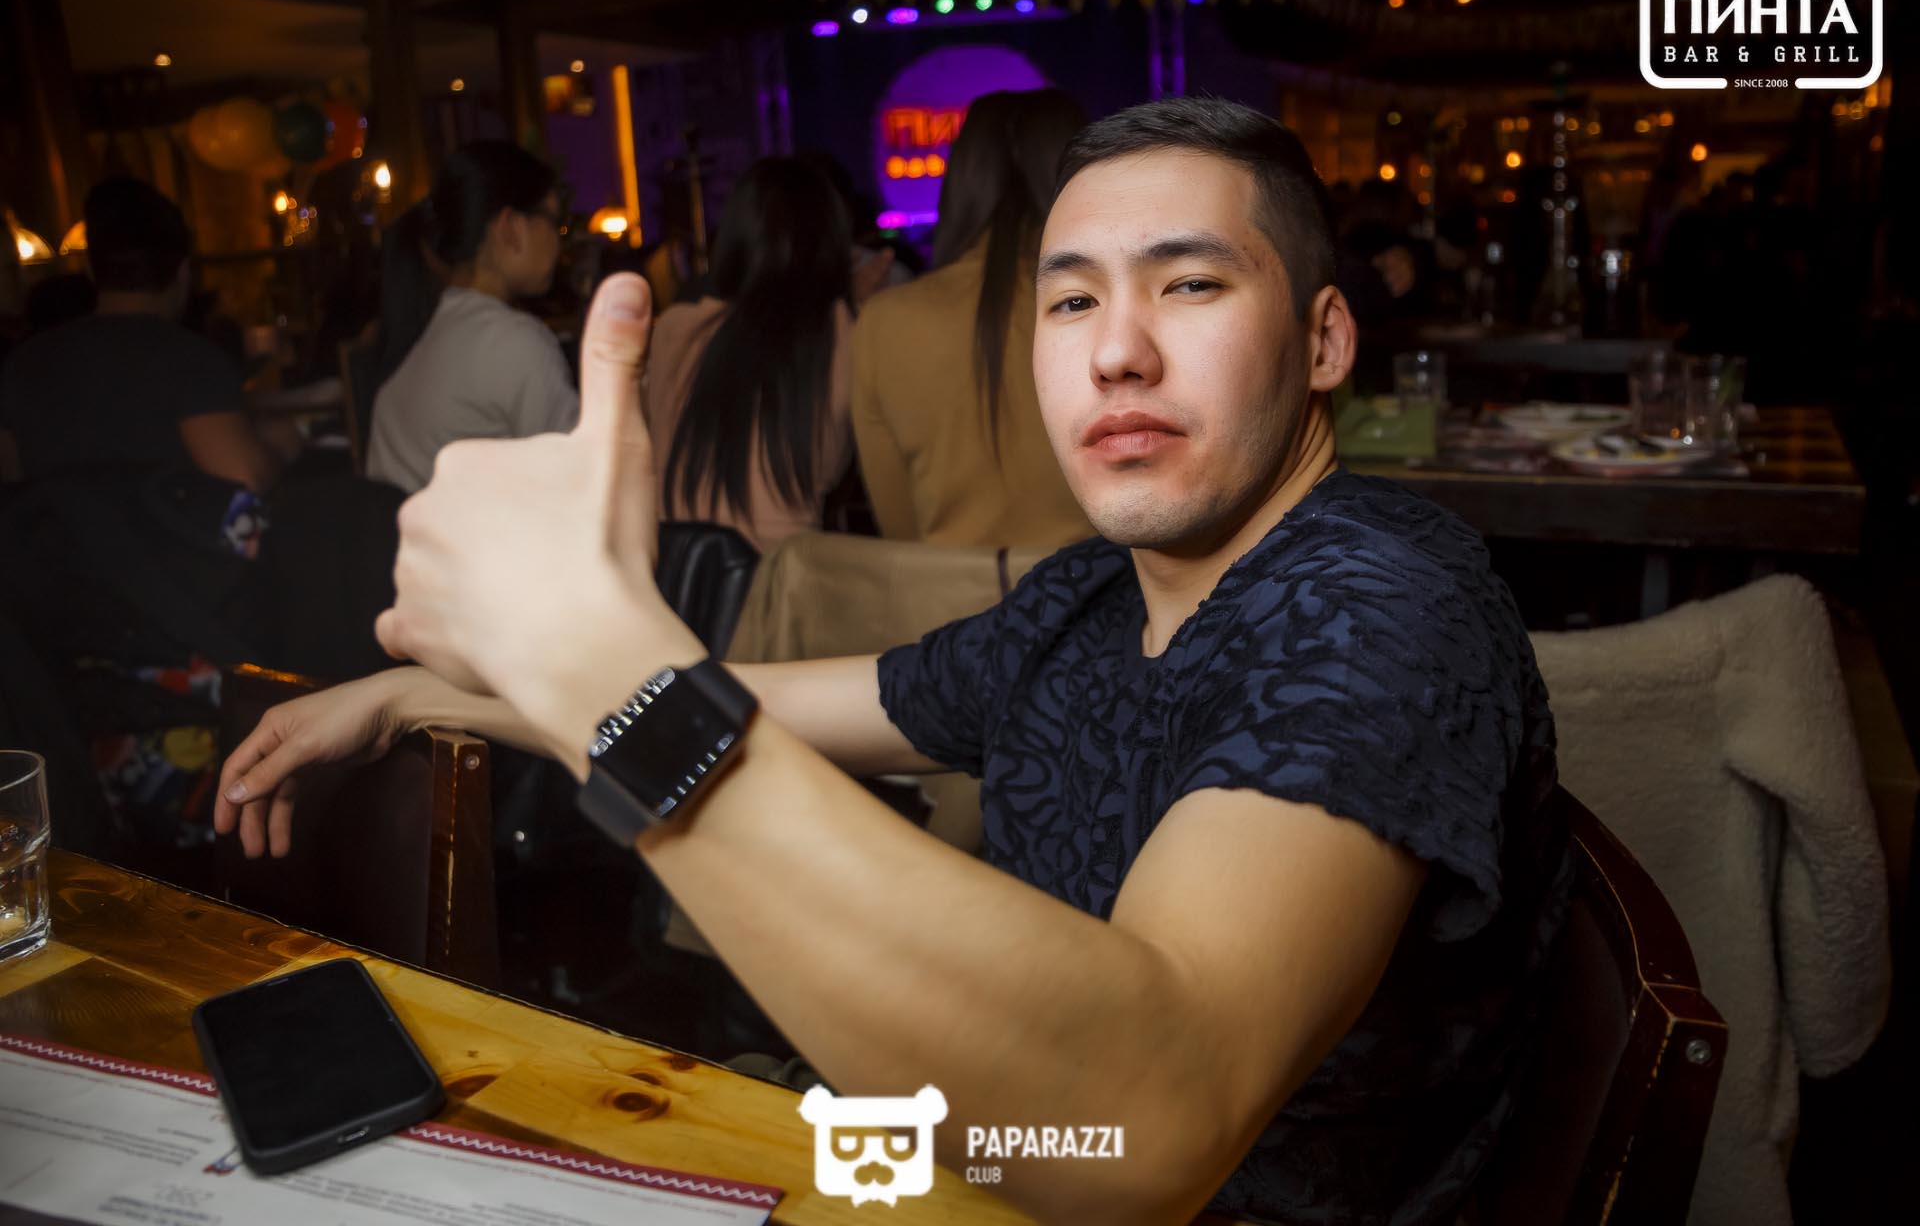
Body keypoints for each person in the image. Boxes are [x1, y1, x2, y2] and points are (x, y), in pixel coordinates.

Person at [217, 99, 1570, 1225]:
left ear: (1324, 339)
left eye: (1192, 284)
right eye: (1071, 299)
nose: (1116, 351)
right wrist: (422, 695)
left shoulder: (1384, 599)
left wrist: (599, 665)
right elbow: (774, 710)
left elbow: (1149, 1119)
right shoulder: (1090, 597)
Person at [850, 89, 1094, 549]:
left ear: (960, 181)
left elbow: (899, 527)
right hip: (1109, 588)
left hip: (953, 590)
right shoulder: (1106, 304)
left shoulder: (886, 321)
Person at [0, 178, 287, 491]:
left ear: (92, 271)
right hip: (172, 523)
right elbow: (242, 476)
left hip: (53, 524)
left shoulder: (23, 364)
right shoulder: (188, 360)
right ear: (183, 273)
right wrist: (281, 446)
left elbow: (11, 482)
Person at [642, 157, 870, 551]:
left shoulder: (675, 328)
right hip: (783, 573)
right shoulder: (840, 332)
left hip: (679, 571)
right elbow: (834, 468)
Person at [365, 141, 576, 494]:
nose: (559, 241)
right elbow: (577, 481)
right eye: (555, 221)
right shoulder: (514, 341)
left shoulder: (423, 330)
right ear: (510, 227)